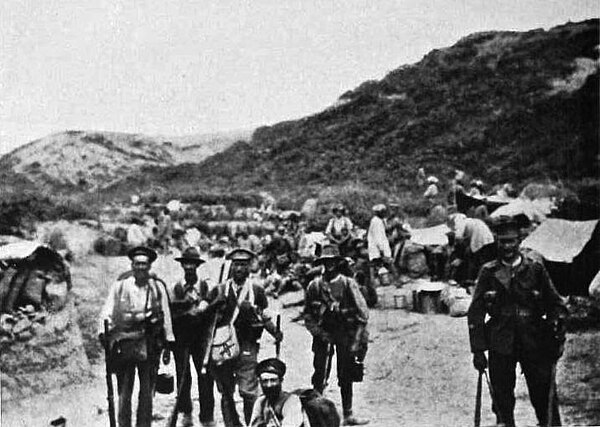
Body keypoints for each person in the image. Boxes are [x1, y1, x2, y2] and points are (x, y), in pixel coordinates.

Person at [467, 217, 567, 427]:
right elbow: (475, 313)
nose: (507, 247)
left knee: (543, 395)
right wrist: (477, 350)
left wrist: (557, 328)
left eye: (511, 241)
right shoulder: (488, 272)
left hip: (534, 339)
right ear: (497, 242)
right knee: (502, 399)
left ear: (519, 241)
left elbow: (556, 304)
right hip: (500, 342)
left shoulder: (535, 269)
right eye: (502, 242)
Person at [98, 246, 175, 427]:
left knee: (147, 390)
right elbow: (107, 311)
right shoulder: (121, 286)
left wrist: (168, 343)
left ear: (149, 267)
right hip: (124, 342)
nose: (141, 268)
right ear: (132, 265)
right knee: (124, 390)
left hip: (149, 343)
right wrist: (104, 334)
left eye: (144, 264)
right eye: (137, 264)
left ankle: (144, 424)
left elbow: (166, 316)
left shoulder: (157, 287)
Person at [208, 249, 283, 427]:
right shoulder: (220, 290)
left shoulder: (256, 289)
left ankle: (252, 423)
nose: (239, 268)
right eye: (236, 264)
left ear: (249, 267)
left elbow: (264, 314)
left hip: (247, 344)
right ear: (231, 266)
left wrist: (275, 332)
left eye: (243, 264)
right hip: (224, 346)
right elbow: (209, 320)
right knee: (226, 391)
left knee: (249, 390)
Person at [304, 244, 370, 426]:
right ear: (322, 263)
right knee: (319, 373)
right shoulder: (314, 286)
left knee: (346, 373)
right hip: (323, 333)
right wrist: (319, 333)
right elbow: (308, 315)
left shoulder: (348, 284)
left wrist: (357, 339)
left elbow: (363, 314)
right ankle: (316, 414)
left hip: (344, 333)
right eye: (326, 261)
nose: (330, 265)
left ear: (338, 262)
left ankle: (348, 414)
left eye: (333, 261)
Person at [169, 247, 216, 427]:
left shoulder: (205, 287)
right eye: (186, 264)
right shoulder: (176, 288)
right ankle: (186, 412)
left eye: (192, 264)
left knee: (205, 376)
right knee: (183, 376)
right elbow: (170, 313)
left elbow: (214, 311)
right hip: (181, 338)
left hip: (201, 339)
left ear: (197, 266)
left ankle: (207, 417)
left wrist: (204, 310)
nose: (189, 267)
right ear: (182, 266)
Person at [249, 358, 304, 427]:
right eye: (265, 381)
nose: (269, 385)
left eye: (273, 380)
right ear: (260, 382)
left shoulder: (291, 402)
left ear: (281, 380)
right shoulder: (261, 402)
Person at [367, 204, 395, 285]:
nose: (384, 213)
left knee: (375, 264)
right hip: (377, 247)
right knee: (385, 262)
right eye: (382, 212)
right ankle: (395, 280)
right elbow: (378, 238)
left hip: (379, 246)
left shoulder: (381, 220)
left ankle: (378, 281)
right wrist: (382, 250)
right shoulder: (376, 222)